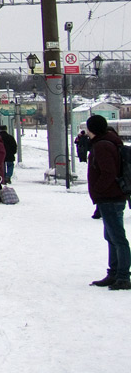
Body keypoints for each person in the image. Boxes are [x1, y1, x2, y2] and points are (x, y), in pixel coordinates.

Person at [85, 114, 130, 290]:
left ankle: (122, 276)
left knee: (117, 237)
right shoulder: (108, 141)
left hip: (110, 197)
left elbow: (108, 172)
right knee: (111, 236)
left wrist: (98, 189)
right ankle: (114, 273)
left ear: (92, 129)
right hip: (111, 196)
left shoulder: (102, 145)